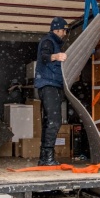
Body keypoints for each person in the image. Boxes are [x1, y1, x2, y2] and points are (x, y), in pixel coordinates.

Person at [34, 17, 68, 166]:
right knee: (54, 121)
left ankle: (45, 157)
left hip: (51, 85)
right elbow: (44, 56)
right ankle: (47, 157)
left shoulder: (55, 42)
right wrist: (56, 56)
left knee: (49, 121)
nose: (65, 34)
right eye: (64, 31)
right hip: (48, 85)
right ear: (57, 30)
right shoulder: (48, 41)